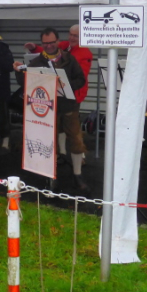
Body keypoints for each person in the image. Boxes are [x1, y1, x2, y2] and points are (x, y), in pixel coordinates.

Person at [14, 27, 88, 191]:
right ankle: (50, 175)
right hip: (47, 109)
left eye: (52, 42)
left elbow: (81, 80)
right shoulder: (36, 62)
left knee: (76, 141)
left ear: (58, 41)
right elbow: (25, 83)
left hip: (68, 106)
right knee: (49, 141)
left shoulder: (69, 58)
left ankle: (77, 175)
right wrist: (18, 72)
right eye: (45, 43)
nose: (48, 46)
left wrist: (66, 85)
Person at [25, 24, 93, 161]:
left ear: (83, 37)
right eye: (70, 34)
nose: (72, 38)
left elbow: (82, 76)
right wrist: (34, 48)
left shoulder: (84, 53)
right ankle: (62, 152)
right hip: (55, 94)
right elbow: (49, 48)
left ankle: (80, 156)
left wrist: (64, 83)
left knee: (73, 129)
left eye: (76, 36)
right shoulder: (66, 45)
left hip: (74, 95)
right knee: (59, 126)